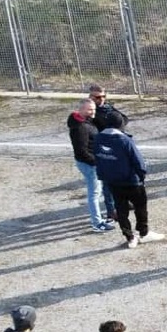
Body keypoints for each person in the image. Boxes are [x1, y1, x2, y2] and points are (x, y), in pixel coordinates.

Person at [91, 115, 160, 249]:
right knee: (140, 207)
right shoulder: (124, 140)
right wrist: (141, 175)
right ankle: (143, 233)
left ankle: (129, 237)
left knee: (121, 210)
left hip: (113, 182)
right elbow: (138, 161)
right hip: (132, 181)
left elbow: (98, 158)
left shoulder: (98, 138)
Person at [66, 99, 112, 233]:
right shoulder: (80, 128)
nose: (93, 112)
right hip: (90, 165)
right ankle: (97, 223)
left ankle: (97, 219)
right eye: (89, 109)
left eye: (93, 109)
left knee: (96, 191)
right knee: (94, 193)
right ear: (81, 110)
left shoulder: (85, 122)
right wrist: (97, 163)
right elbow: (82, 152)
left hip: (91, 162)